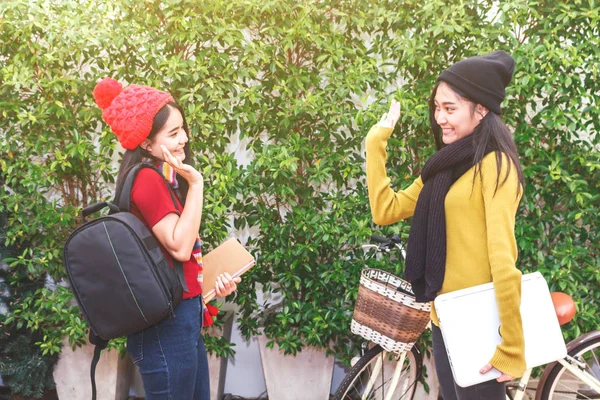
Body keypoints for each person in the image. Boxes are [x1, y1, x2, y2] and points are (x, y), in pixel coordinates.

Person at [365, 50, 525, 400]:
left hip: (481, 323)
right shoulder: (443, 168)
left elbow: (503, 258)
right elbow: (386, 209)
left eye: (450, 108)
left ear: (481, 109)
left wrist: (512, 347)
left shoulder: (497, 167)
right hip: (443, 318)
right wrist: (375, 142)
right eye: (437, 107)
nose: (440, 117)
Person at [93, 77, 241, 400]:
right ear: (146, 144)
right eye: (173, 133)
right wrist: (198, 185)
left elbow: (172, 259)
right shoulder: (148, 181)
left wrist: (210, 284)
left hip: (179, 321)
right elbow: (180, 244)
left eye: (182, 129)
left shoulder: (163, 178)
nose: (184, 139)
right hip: (166, 331)